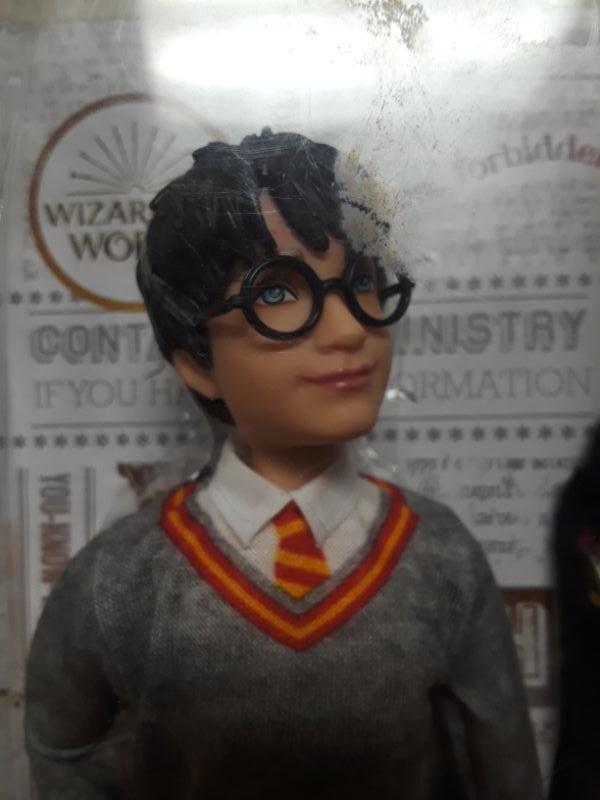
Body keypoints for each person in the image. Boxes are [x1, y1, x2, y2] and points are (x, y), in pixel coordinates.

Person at [25, 129, 543, 799]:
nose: (349, 329)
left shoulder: (440, 555)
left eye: (363, 281)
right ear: (196, 362)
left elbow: (504, 764)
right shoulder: (124, 576)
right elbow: (60, 750)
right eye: (274, 294)